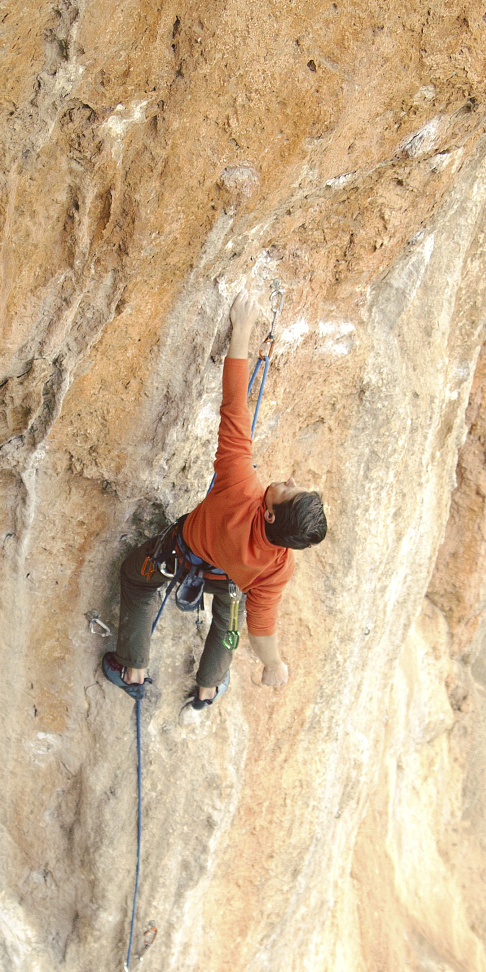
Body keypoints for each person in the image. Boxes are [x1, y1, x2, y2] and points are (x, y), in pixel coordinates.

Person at [101, 290, 328, 709]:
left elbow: (235, 407)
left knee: (136, 578)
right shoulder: (278, 566)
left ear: (272, 514)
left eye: (288, 489)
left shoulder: (240, 485)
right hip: (229, 581)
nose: (289, 478)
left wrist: (241, 331)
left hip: (179, 553)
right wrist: (272, 664)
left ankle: (133, 668)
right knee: (231, 618)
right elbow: (261, 628)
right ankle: (207, 689)